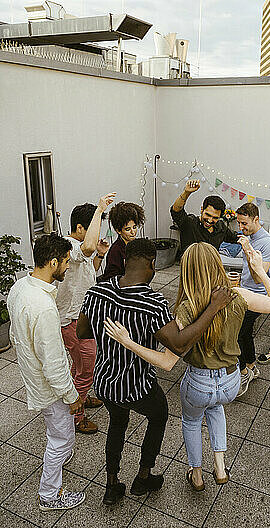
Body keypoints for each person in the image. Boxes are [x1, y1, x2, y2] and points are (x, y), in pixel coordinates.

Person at [104, 241, 270, 491]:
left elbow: (167, 363)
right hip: (231, 381)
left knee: (191, 421)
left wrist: (127, 342)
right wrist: (260, 270)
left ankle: (197, 475)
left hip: (199, 382)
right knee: (216, 408)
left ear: (187, 270)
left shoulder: (186, 309)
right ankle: (220, 467)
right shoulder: (237, 295)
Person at [76, 238, 235, 505]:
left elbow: (82, 332)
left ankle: (112, 484)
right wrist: (213, 307)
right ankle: (143, 476)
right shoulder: (153, 303)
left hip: (103, 382)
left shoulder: (96, 291)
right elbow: (180, 344)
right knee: (158, 415)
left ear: (126, 262)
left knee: (117, 423)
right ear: (152, 264)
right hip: (137, 386)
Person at [7, 234, 86, 511]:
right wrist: (72, 396)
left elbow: (14, 333)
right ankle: (50, 494)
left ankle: (60, 457)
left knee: (59, 433)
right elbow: (54, 365)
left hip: (34, 376)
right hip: (49, 386)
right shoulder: (43, 308)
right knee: (61, 437)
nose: (67, 266)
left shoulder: (19, 288)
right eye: (65, 261)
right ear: (53, 262)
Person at [56, 193, 116, 434]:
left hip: (82, 318)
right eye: (94, 225)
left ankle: (77, 395)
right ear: (80, 227)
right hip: (73, 322)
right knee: (86, 370)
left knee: (79, 366)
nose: (97, 231)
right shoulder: (70, 245)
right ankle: (76, 416)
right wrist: (100, 208)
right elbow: (87, 247)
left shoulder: (77, 250)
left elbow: (87, 272)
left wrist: (100, 255)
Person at [234, 203, 270, 396]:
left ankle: (243, 372)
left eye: (244, 223)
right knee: (245, 333)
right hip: (245, 292)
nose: (241, 227)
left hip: (259, 297)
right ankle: (252, 366)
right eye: (239, 223)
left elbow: (259, 278)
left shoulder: (267, 243)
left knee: (237, 334)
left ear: (256, 219)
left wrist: (248, 250)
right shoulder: (250, 237)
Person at [170, 179, 238, 252]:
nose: (210, 220)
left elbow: (235, 238)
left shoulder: (221, 227)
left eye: (215, 217)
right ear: (202, 210)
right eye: (207, 215)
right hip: (190, 263)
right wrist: (186, 193)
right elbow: (176, 210)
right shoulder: (190, 223)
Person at [102, 201, 145, 280]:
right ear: (119, 231)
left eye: (134, 227)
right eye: (128, 229)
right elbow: (111, 277)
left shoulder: (136, 244)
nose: (133, 232)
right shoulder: (116, 251)